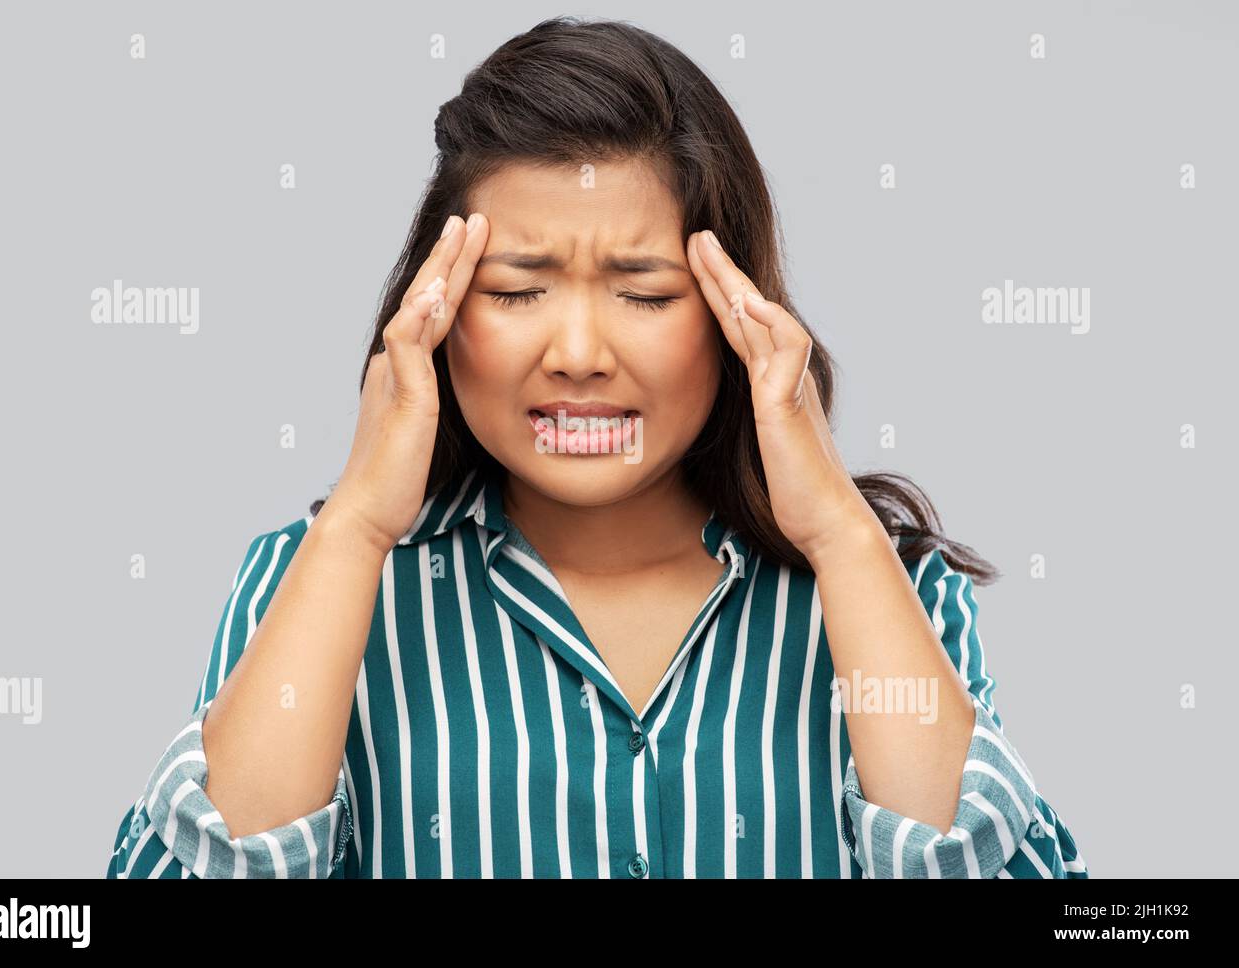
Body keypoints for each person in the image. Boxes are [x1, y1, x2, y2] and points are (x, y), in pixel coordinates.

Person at [106, 16, 1086, 879]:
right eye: (518, 290)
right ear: (435, 311)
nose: (578, 355)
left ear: (736, 309)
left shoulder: (891, 590)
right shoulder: (307, 578)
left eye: (645, 293)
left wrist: (836, 530)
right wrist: (361, 522)